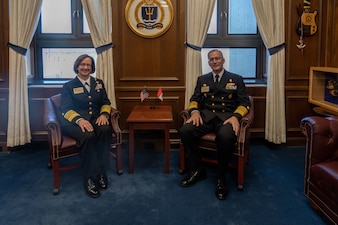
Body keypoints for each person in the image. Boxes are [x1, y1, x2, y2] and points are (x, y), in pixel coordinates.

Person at [179, 49, 251, 200]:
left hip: (226, 118)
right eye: (211, 59)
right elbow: (194, 99)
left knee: (226, 136)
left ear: (223, 60)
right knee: (185, 130)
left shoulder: (236, 79)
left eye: (217, 58)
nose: (215, 61)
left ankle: (220, 177)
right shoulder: (202, 79)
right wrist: (194, 112)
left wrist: (236, 117)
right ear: (208, 62)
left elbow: (245, 102)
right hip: (206, 117)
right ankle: (197, 169)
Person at [60, 54, 112, 198]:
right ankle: (89, 177)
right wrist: (79, 120)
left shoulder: (99, 83)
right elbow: (65, 109)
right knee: (88, 136)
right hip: (74, 122)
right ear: (77, 66)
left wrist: (104, 115)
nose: (85, 67)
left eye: (88, 65)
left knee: (105, 129)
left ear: (92, 68)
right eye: (82, 64)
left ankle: (102, 171)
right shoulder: (68, 86)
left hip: (95, 119)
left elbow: (106, 102)